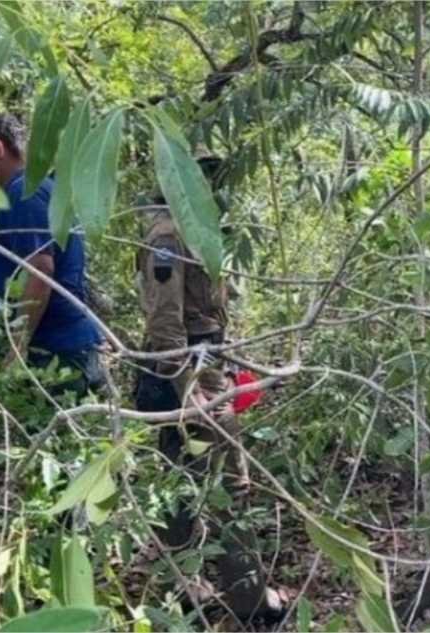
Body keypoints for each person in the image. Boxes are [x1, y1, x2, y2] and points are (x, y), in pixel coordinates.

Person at [133, 156, 282, 622]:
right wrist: (191, 389)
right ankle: (248, 600)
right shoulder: (167, 235)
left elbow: (209, 312)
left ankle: (188, 590)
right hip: (185, 372)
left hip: (204, 363)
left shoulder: (196, 228)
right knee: (222, 481)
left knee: (189, 482)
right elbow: (165, 321)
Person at [0, 113, 105, 396]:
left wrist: (18, 347)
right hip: (61, 345)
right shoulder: (40, 190)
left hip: (54, 352)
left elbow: (41, 270)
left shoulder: (25, 194)